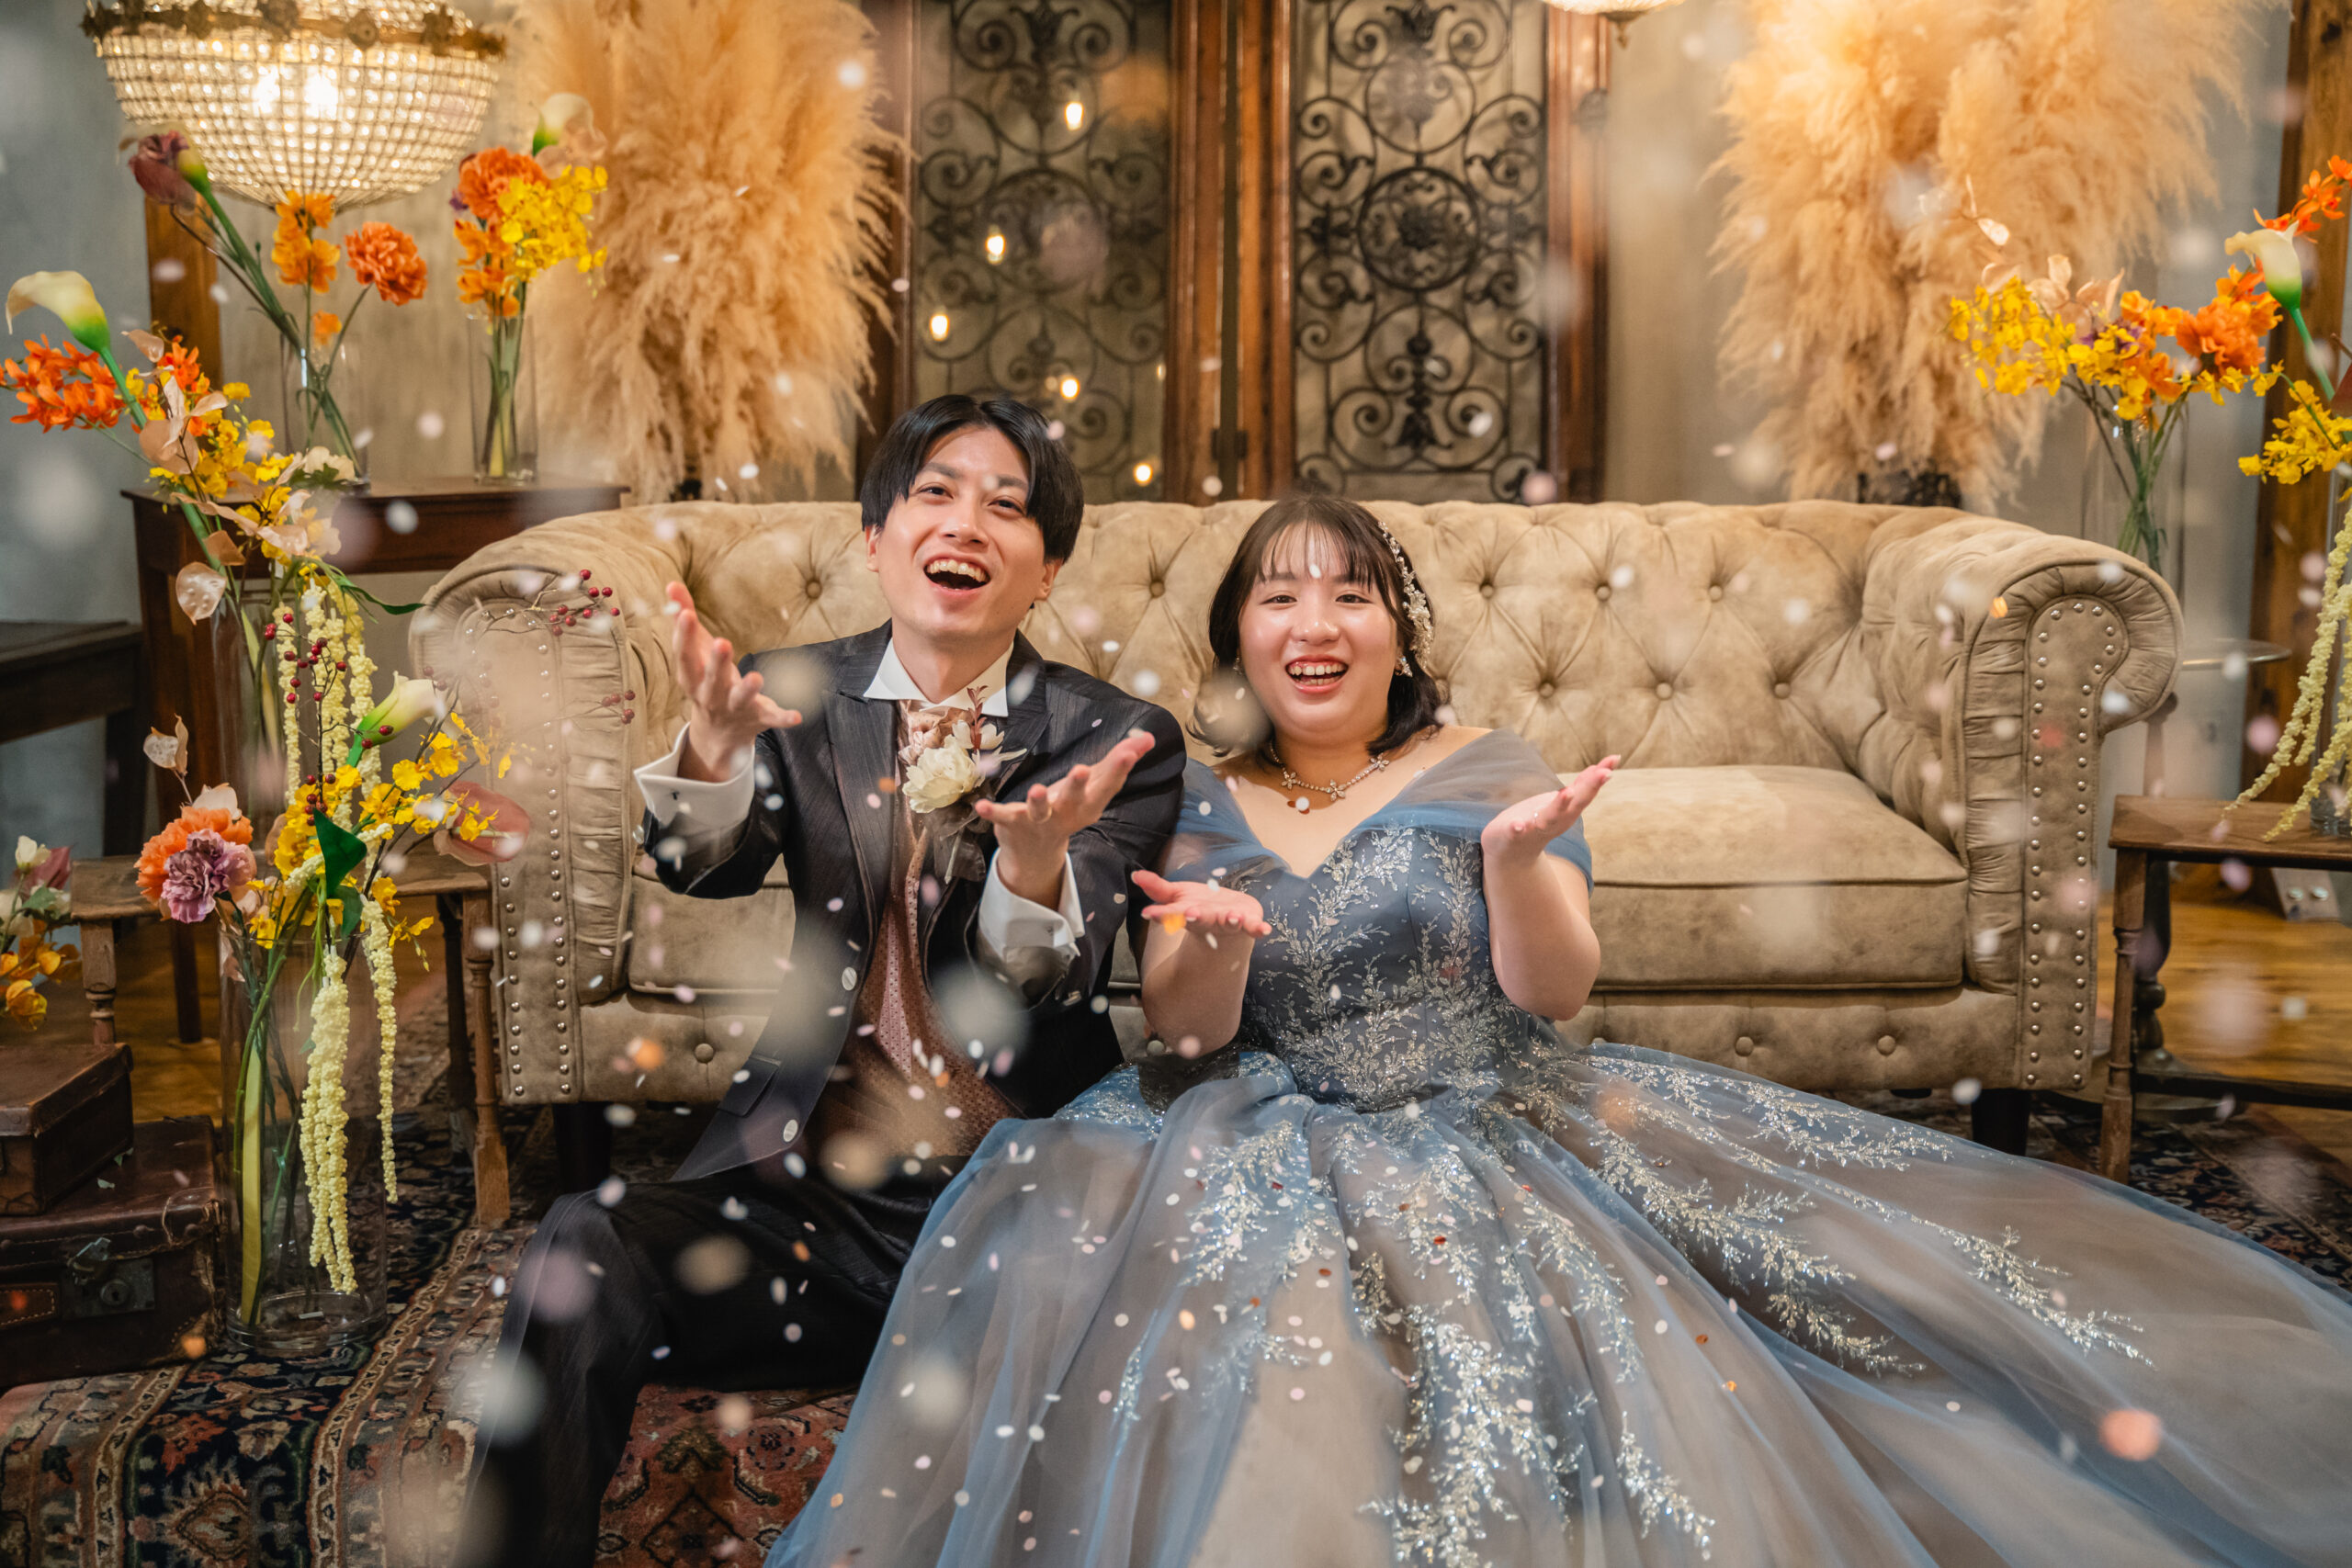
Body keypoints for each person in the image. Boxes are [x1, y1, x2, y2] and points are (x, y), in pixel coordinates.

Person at [768, 492, 2352, 1568]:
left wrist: (1521, 862)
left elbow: (1554, 993)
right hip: (1252, 1122)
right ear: (1241, 638)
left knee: (1801, 1329)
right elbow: (1182, 1032)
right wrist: (1212, 940)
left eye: (1350, 594)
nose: (1316, 621)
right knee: (1130, 1286)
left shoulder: (1488, 764)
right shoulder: (1205, 793)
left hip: (1491, 1108)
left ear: (1398, 631)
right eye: (1279, 595)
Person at [461, 395, 1187, 1568]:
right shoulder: (788, 690)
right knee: (579, 1246)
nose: (966, 523)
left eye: (1007, 507)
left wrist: (1035, 863)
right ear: (875, 537)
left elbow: (1048, 978)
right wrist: (710, 749)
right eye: (934, 493)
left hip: (1018, 1210)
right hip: (808, 1210)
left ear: (1047, 569)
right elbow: (698, 867)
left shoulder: (1113, 736)